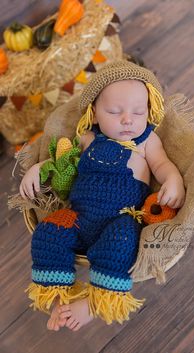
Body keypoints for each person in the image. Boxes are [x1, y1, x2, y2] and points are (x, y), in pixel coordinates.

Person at [20, 61, 185, 332]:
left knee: (121, 244)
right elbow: (62, 162)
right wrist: (39, 169)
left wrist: (174, 179)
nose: (127, 119)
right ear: (94, 114)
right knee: (48, 233)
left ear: (149, 111)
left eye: (138, 111)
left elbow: (162, 166)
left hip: (119, 221)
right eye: (114, 111)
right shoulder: (87, 138)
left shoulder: (146, 141)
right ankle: (60, 297)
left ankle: (93, 303)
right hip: (79, 217)